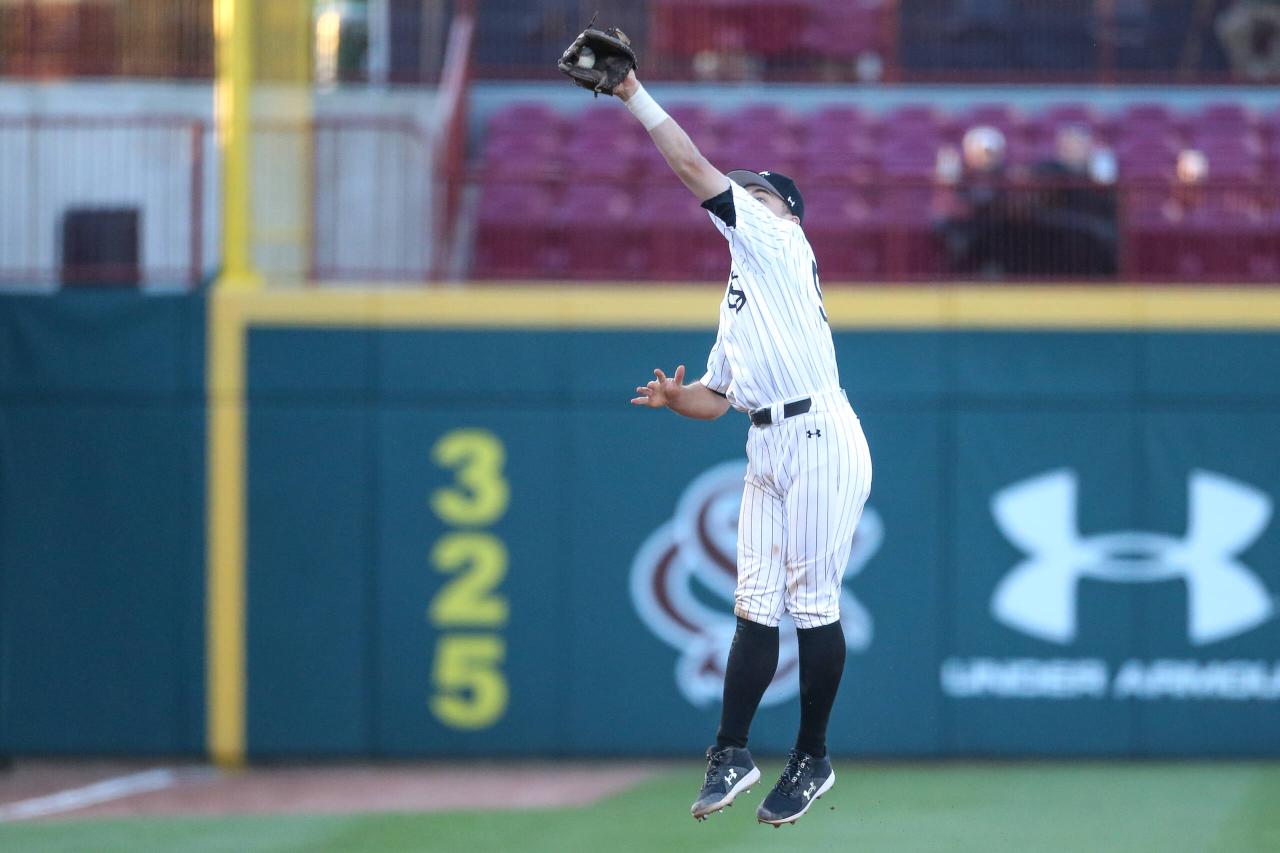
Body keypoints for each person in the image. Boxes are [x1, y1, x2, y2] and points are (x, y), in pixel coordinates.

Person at [609, 68, 874, 825]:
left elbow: (694, 169)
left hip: (821, 431)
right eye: (745, 193)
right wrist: (674, 398)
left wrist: (633, 92)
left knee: (812, 603)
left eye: (757, 190)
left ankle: (813, 757)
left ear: (784, 210)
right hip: (769, 442)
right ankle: (730, 751)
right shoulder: (741, 296)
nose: (743, 197)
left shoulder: (780, 240)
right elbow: (717, 401)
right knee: (754, 606)